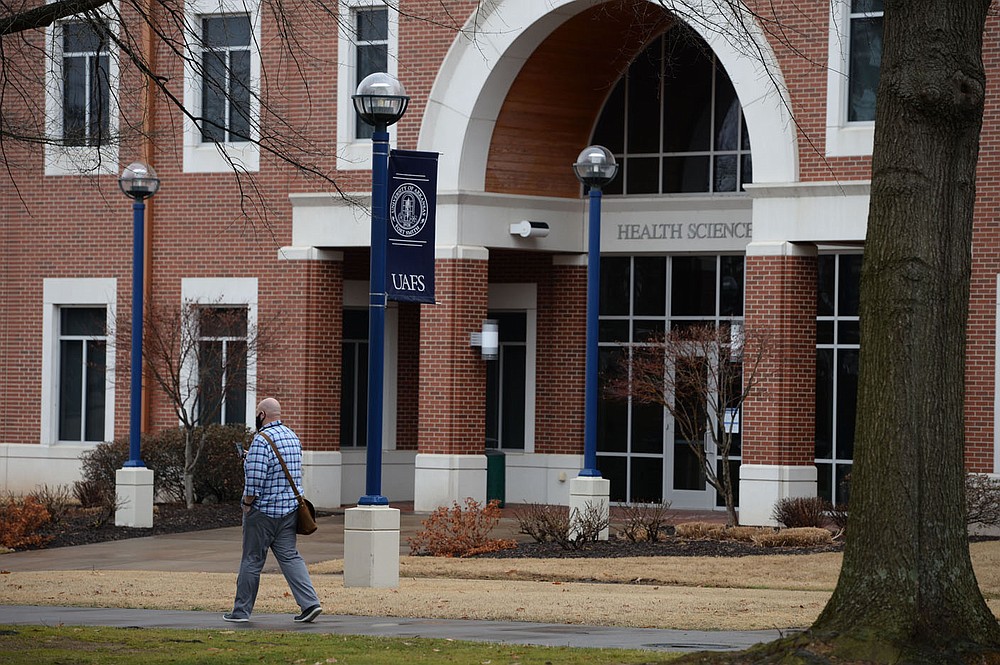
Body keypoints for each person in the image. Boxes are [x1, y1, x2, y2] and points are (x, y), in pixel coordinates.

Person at [224, 397, 322, 623]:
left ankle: (241, 612)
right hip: (289, 511)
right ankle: (310, 604)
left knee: (251, 560)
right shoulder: (291, 436)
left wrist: (247, 504)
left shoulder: (261, 440)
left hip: (263, 513)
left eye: (257, 413)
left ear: (262, 415)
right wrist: (252, 458)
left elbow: (255, 482)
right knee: (290, 557)